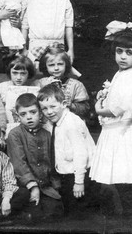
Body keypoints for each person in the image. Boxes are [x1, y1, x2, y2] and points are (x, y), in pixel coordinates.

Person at [90, 21, 132, 224]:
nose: (123, 56)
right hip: (116, 130)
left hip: (124, 132)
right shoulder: (121, 74)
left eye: (129, 52)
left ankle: (130, 217)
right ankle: (125, 215)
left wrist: (99, 108)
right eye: (119, 51)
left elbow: (118, 108)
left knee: (123, 177)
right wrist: (104, 95)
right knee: (117, 175)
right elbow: (115, 99)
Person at [38, 84, 97, 219]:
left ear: (64, 104)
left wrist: (79, 182)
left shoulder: (71, 123)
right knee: (69, 209)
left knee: (78, 214)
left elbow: (80, 153)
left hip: (81, 174)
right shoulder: (57, 121)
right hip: (68, 173)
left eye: (53, 107)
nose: (49, 112)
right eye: (44, 109)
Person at [6, 93, 62, 221]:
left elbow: (52, 162)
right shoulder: (15, 135)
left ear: (40, 113)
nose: (29, 117)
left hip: (45, 185)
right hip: (25, 186)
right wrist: (33, 186)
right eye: (23, 114)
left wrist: (56, 186)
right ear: (17, 116)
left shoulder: (47, 134)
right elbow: (19, 164)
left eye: (33, 112)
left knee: (56, 211)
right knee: (33, 216)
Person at [36, 44, 89, 119]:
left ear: (66, 65)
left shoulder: (76, 84)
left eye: (60, 64)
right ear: (45, 66)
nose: (56, 68)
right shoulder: (40, 83)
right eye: (51, 65)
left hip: (69, 122)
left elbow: (85, 108)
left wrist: (71, 105)